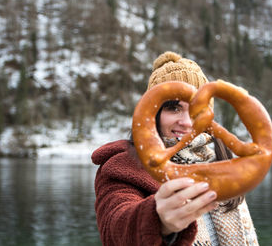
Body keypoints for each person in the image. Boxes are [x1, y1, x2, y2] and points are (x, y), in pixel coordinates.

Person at [92, 51, 259, 245]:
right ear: (153, 112)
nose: (187, 122)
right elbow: (115, 227)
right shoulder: (123, 167)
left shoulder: (224, 164)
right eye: (174, 108)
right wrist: (156, 220)